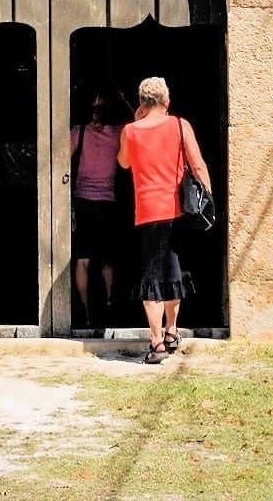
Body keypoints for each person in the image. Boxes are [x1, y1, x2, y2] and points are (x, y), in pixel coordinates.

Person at [117, 75, 211, 363]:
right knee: (175, 272)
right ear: (167, 101)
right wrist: (209, 201)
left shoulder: (130, 131)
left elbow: (124, 162)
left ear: (142, 103)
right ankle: (171, 330)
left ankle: (156, 341)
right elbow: (196, 163)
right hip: (178, 210)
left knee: (151, 277)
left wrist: (135, 121)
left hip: (147, 212)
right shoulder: (180, 125)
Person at [69, 92, 124, 330]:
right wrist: (124, 100)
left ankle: (85, 311)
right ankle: (110, 304)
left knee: (82, 259)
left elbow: (59, 159)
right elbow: (140, 120)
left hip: (83, 201)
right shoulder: (118, 133)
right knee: (108, 259)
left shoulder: (78, 132)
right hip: (108, 203)